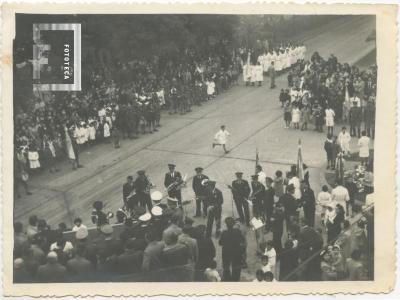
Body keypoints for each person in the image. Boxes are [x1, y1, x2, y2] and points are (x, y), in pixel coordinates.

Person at [219, 217, 244, 281]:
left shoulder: (224, 233)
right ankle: (235, 279)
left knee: (226, 267)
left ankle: (227, 279)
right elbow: (242, 240)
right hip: (236, 252)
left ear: (226, 225)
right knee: (236, 267)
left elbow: (220, 243)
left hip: (226, 252)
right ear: (233, 224)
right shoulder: (238, 231)